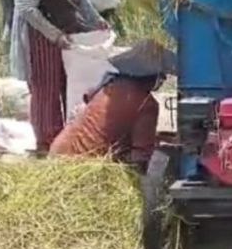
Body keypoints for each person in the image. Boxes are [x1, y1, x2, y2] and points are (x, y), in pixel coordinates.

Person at [10, 0, 108, 156]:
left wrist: (95, 18)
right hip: (42, 36)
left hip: (69, 28)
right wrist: (54, 35)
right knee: (46, 87)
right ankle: (47, 142)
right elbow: (27, 9)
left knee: (71, 84)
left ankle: (70, 135)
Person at [51, 39, 177, 174]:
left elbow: (109, 126)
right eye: (161, 76)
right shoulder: (146, 105)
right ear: (152, 76)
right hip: (84, 169)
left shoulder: (108, 85)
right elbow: (140, 159)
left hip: (59, 153)